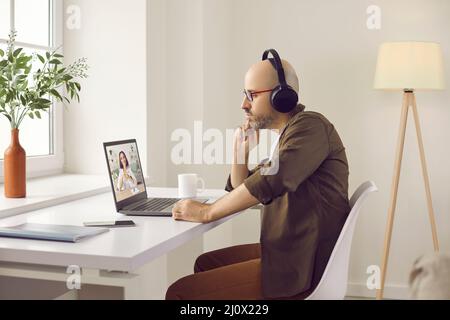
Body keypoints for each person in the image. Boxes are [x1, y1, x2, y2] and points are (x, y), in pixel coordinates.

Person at [166, 49, 350, 300]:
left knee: (180, 294)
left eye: (251, 95)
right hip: (291, 252)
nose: (244, 104)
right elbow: (244, 188)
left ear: (281, 97)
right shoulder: (288, 139)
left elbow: (269, 182)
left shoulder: (311, 126)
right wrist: (240, 150)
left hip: (302, 266)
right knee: (206, 263)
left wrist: (205, 212)